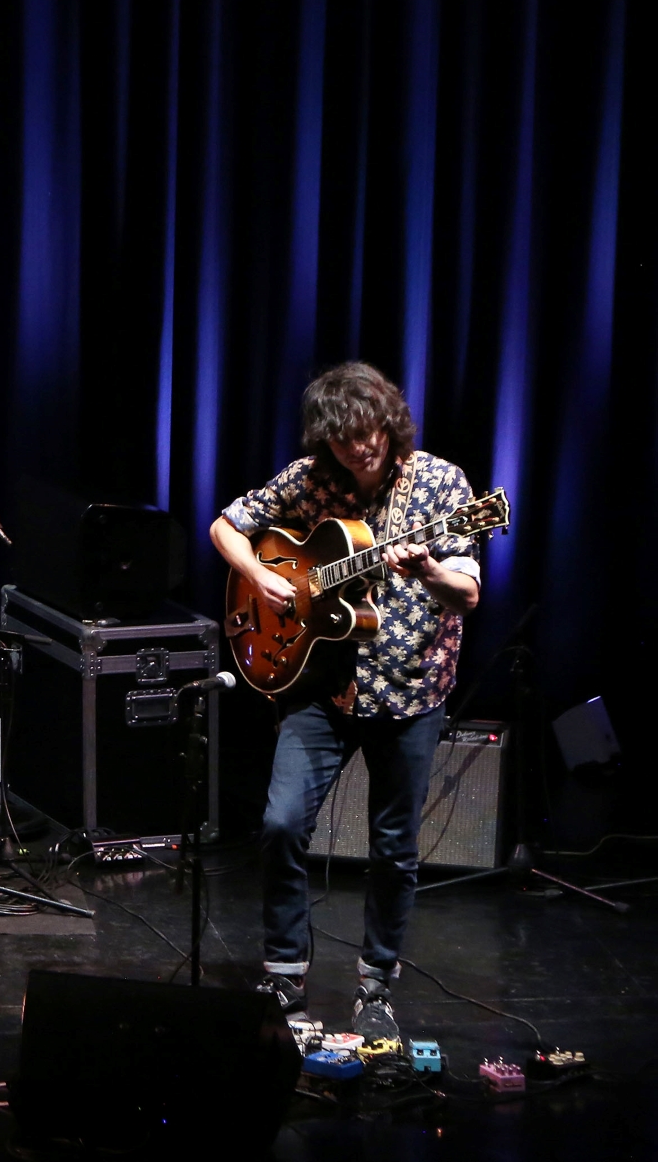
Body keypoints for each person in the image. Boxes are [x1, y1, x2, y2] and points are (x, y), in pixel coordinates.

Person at [210, 362, 482, 1040]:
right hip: (322, 685)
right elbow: (226, 526)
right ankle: (282, 971)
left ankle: (376, 984)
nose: (362, 447)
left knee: (393, 848)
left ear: (389, 421)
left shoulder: (443, 485)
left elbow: (468, 594)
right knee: (279, 824)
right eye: (345, 439)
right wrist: (259, 576)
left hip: (412, 689)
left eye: (370, 432)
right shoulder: (309, 480)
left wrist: (428, 570)